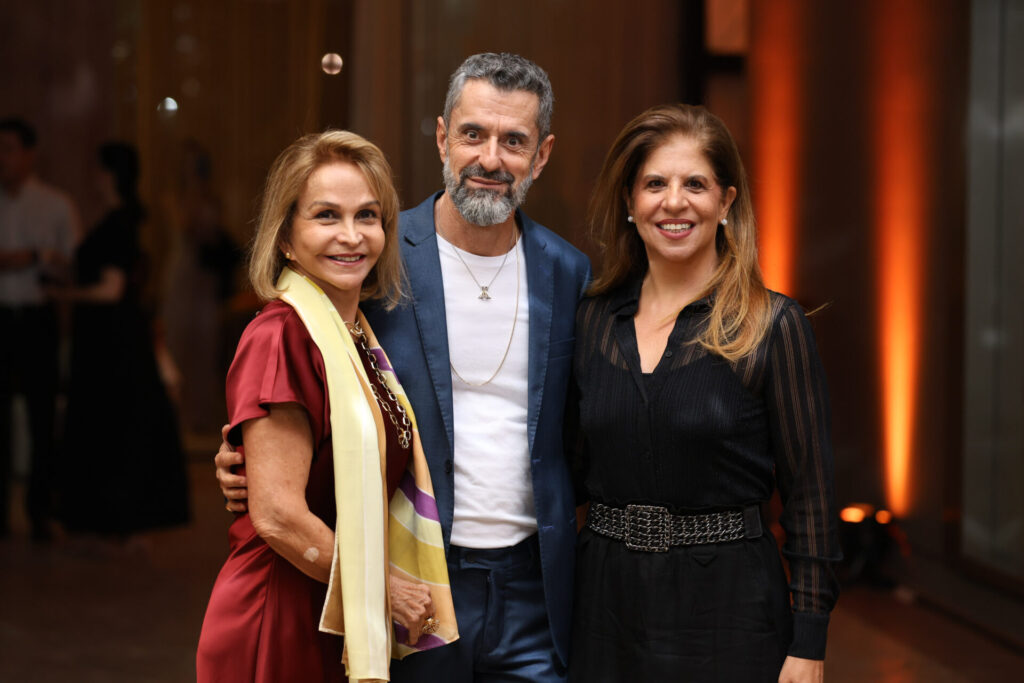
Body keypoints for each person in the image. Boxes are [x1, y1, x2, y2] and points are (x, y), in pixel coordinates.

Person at [216, 53, 591, 681]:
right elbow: (305, 372)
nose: (490, 158)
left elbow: (591, 421)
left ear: (542, 154)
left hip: (533, 586)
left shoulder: (569, 272)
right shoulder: (375, 257)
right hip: (411, 575)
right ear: (443, 138)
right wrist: (246, 457)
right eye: (472, 134)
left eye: (514, 141)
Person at [568, 103, 840, 682]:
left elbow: (810, 496)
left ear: (726, 202)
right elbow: (565, 470)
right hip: (605, 609)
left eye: (695, 184)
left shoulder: (772, 325)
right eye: (654, 184)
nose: (674, 202)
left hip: (730, 613)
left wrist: (810, 639)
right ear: (629, 202)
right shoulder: (590, 320)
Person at [197, 130, 457, 683]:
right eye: (326, 216)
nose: (351, 235)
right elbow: (276, 514)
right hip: (281, 609)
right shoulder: (281, 336)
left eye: (367, 216)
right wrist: (382, 586)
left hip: (331, 607)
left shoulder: (355, 336)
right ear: (286, 238)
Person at [57, 142, 189, 538]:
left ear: (110, 174)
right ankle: (109, 516)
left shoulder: (120, 223)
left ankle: (114, 516)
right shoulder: (123, 220)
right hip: (112, 338)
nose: (94, 177)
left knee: (111, 423)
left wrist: (64, 294)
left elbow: (111, 289)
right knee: (114, 423)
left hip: (110, 342)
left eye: (98, 170)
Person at [0, 117, 78, 541]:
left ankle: (40, 513)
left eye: (9, 149)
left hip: (36, 319)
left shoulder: (55, 204)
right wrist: (29, 256)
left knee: (41, 416)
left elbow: (73, 265)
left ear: (30, 154)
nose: (2, 158)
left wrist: (39, 260)